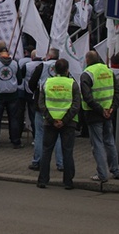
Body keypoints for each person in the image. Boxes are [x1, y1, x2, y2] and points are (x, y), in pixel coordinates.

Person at [37, 58, 80, 190]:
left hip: (50, 123)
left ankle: (42, 180)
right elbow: (76, 105)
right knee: (67, 152)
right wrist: (64, 120)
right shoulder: (72, 84)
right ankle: (68, 182)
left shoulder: (47, 83)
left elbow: (41, 104)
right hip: (68, 123)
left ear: (54, 70)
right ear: (67, 70)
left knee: (46, 151)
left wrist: (51, 119)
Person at [81, 50, 119, 183]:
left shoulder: (87, 74)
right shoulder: (108, 71)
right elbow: (118, 91)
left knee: (97, 144)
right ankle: (115, 170)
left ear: (87, 60)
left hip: (94, 114)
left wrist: (100, 110)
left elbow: (87, 97)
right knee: (109, 142)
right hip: (108, 112)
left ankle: (102, 174)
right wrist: (112, 108)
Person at [28, 48, 63, 171]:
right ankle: (61, 163)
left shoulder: (42, 66)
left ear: (49, 55)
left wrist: (37, 92)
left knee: (40, 134)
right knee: (59, 136)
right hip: (59, 106)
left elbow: (31, 83)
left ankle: (37, 161)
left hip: (42, 105)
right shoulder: (63, 65)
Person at [0, 43, 23, 149]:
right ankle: (16, 141)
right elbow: (20, 80)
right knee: (14, 119)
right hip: (13, 95)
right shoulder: (15, 64)